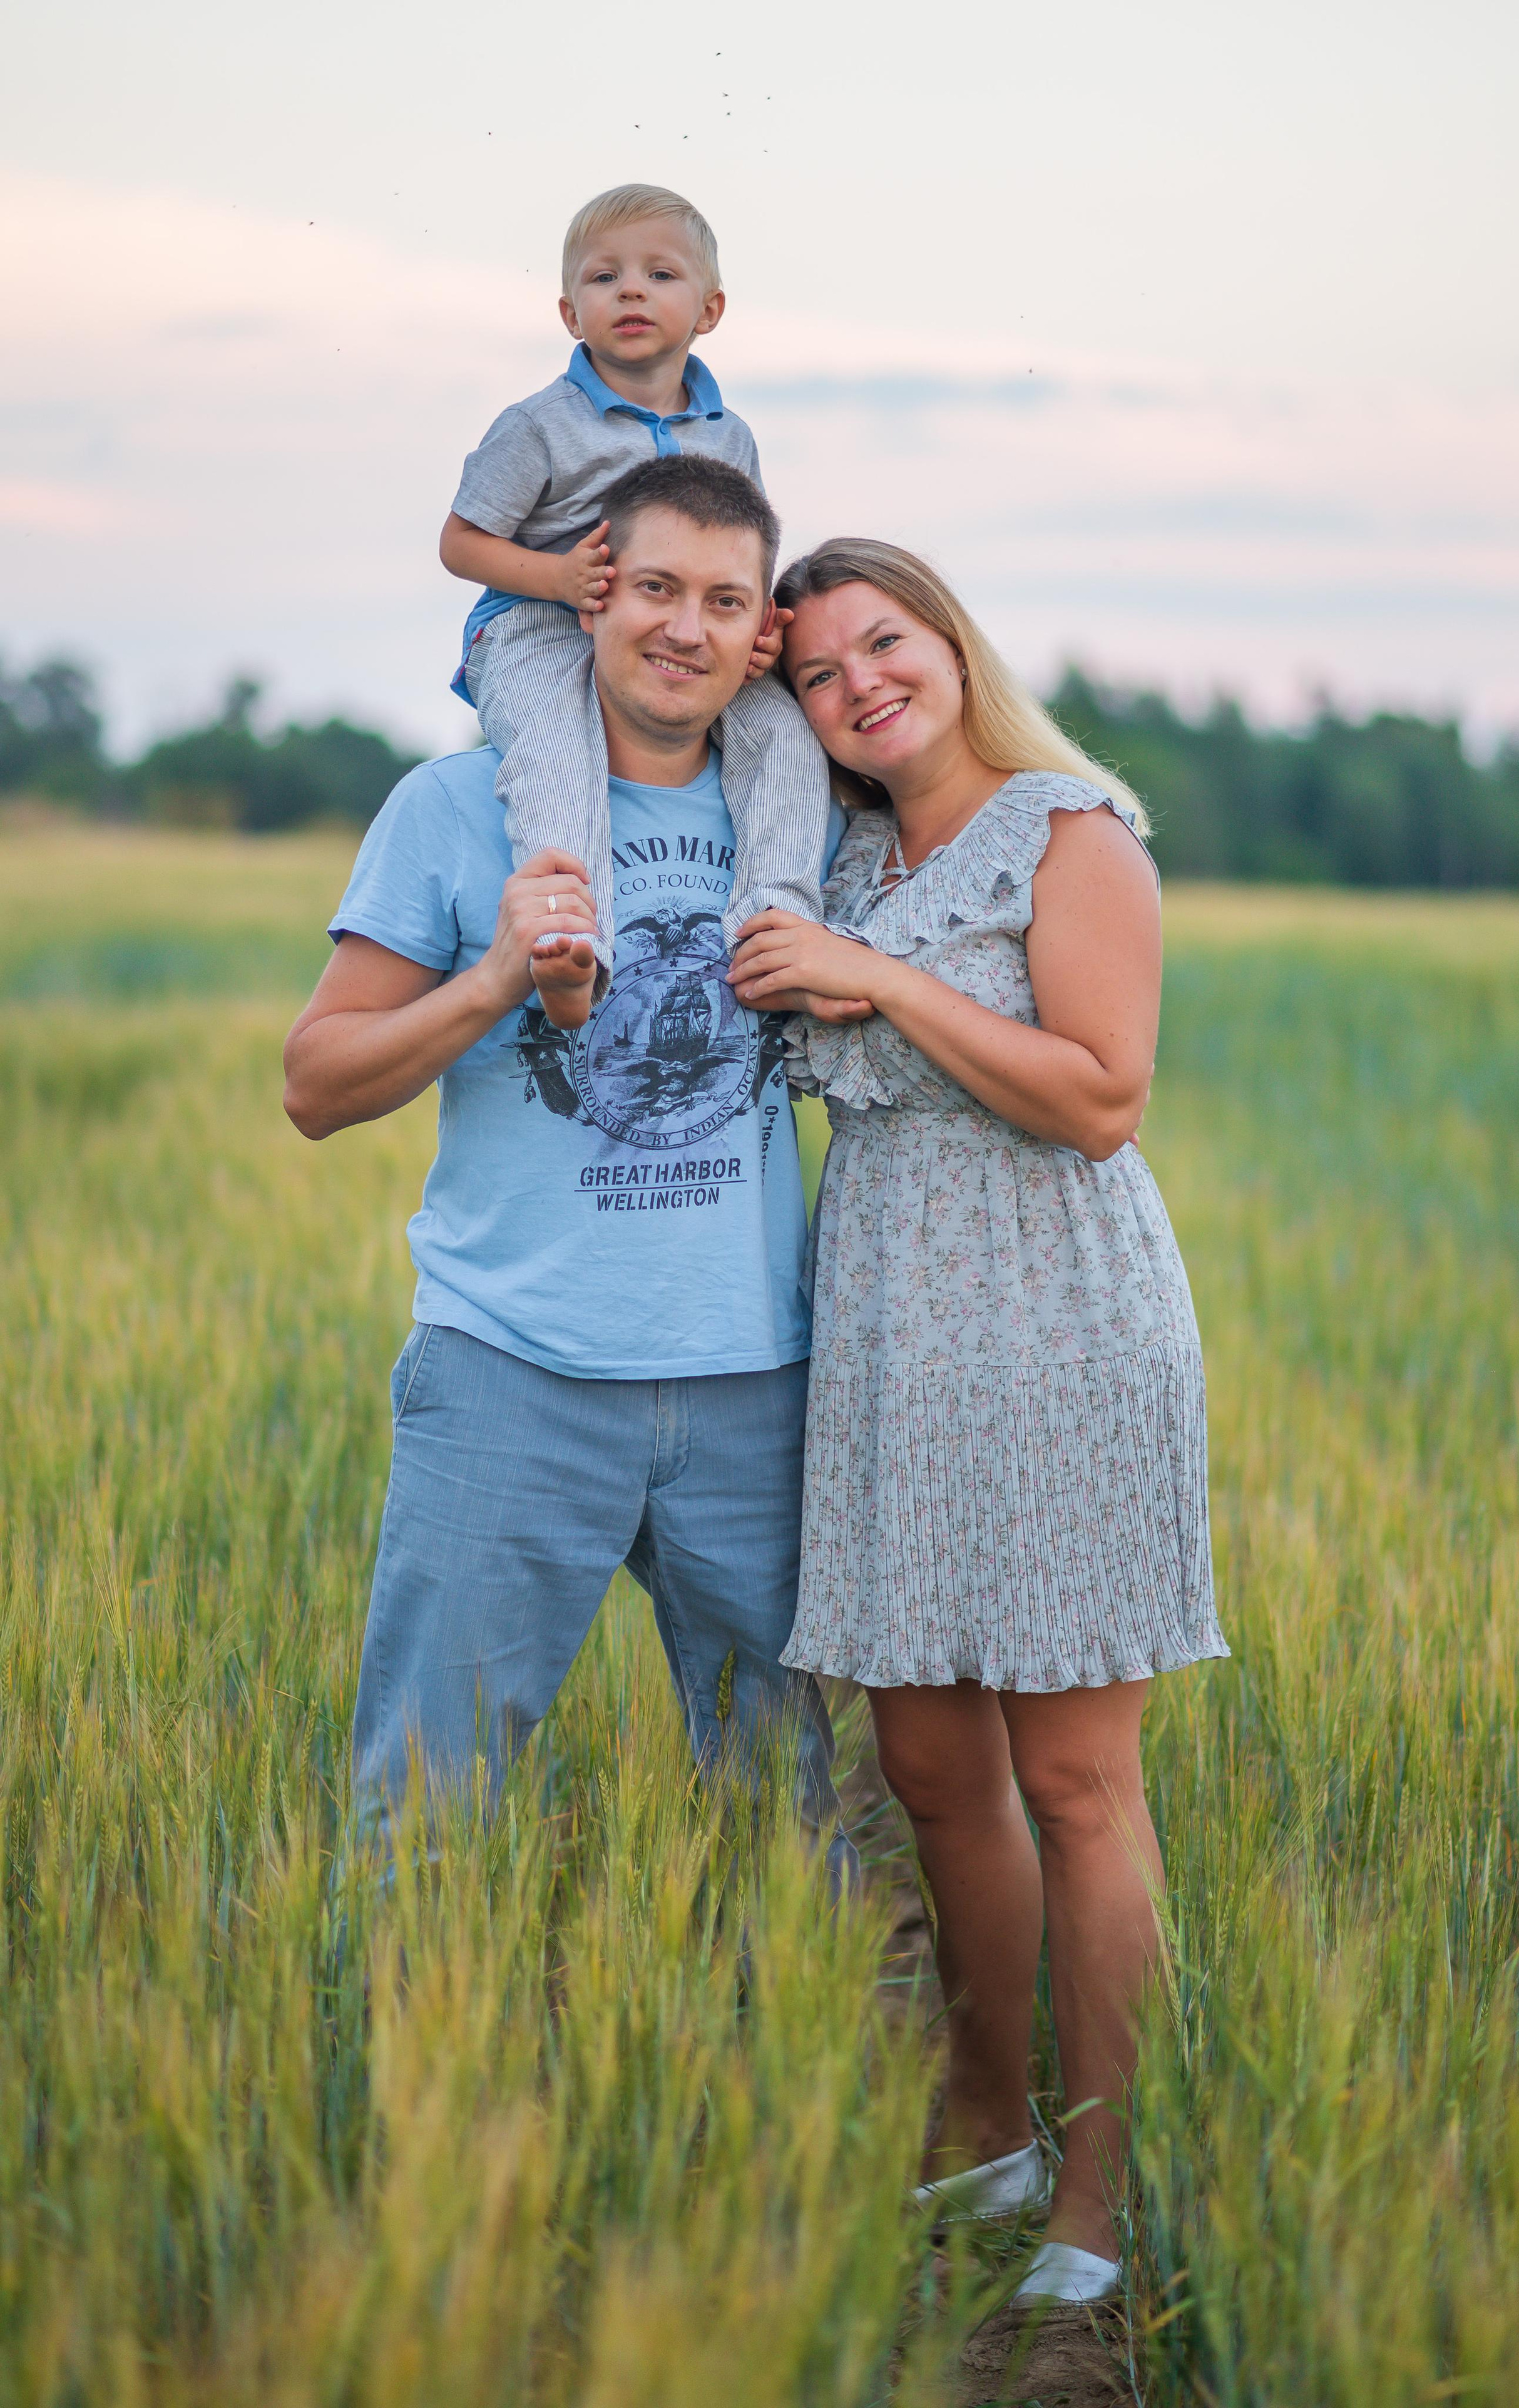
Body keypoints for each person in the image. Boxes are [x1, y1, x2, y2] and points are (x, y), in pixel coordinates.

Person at [729, 540, 1228, 2304]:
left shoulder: (1070, 828)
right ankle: (985, 2117)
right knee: (932, 1773)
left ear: (949, 641)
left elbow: (1102, 1098)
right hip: (882, 1328)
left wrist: (883, 984)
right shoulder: (839, 857)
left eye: (886, 641)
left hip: (1058, 1317)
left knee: (1077, 1781)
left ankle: (1095, 2191)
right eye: (816, 670)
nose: (860, 681)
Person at [282, 456, 856, 1883]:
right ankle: (408, 2098)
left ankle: (785, 2105)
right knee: (422, 1816)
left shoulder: (810, 823)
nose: (685, 628)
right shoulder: (453, 807)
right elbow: (315, 1084)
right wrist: (489, 981)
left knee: (797, 1820)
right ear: (594, 595)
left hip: (757, 1386)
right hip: (510, 1377)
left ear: (758, 634)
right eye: (655, 587)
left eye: (725, 600)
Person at [440, 182, 830, 1015]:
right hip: (535, 624)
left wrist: (756, 630)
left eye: (660, 275)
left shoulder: (730, 436)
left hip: (676, 629)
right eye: (603, 277)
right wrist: (556, 579)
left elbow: (747, 552)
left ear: (710, 309)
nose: (630, 291)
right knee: (557, 758)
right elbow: (460, 543)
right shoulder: (540, 425)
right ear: (569, 312)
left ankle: (775, 922)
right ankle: (570, 943)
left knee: (784, 736)